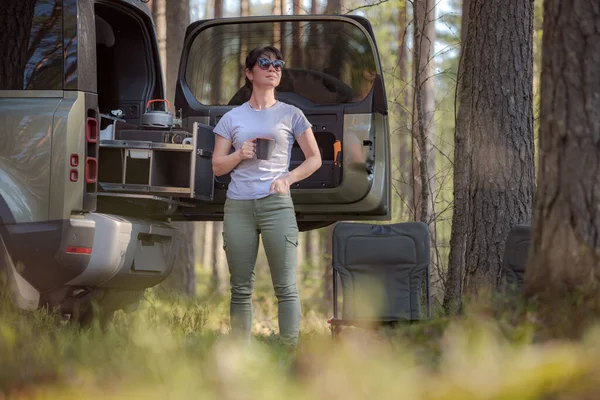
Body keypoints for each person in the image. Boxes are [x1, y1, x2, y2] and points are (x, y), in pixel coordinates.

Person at [211, 46, 322, 346]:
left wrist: (288, 178)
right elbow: (217, 166)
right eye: (264, 63)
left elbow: (315, 158)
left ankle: (288, 353)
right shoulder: (232, 118)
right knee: (240, 288)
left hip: (276, 206)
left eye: (277, 64)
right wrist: (239, 154)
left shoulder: (292, 114)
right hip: (239, 207)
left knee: (286, 287)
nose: (273, 68)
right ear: (249, 73)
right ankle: (239, 356)